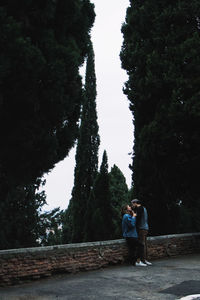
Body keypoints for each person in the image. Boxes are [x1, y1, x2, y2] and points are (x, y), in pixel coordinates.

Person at [131, 199, 152, 266]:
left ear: (135, 203)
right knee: (144, 244)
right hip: (146, 228)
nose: (132, 206)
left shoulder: (139, 208)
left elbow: (138, 219)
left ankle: (140, 261)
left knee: (141, 245)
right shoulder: (144, 208)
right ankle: (145, 260)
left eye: (132, 204)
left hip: (141, 229)